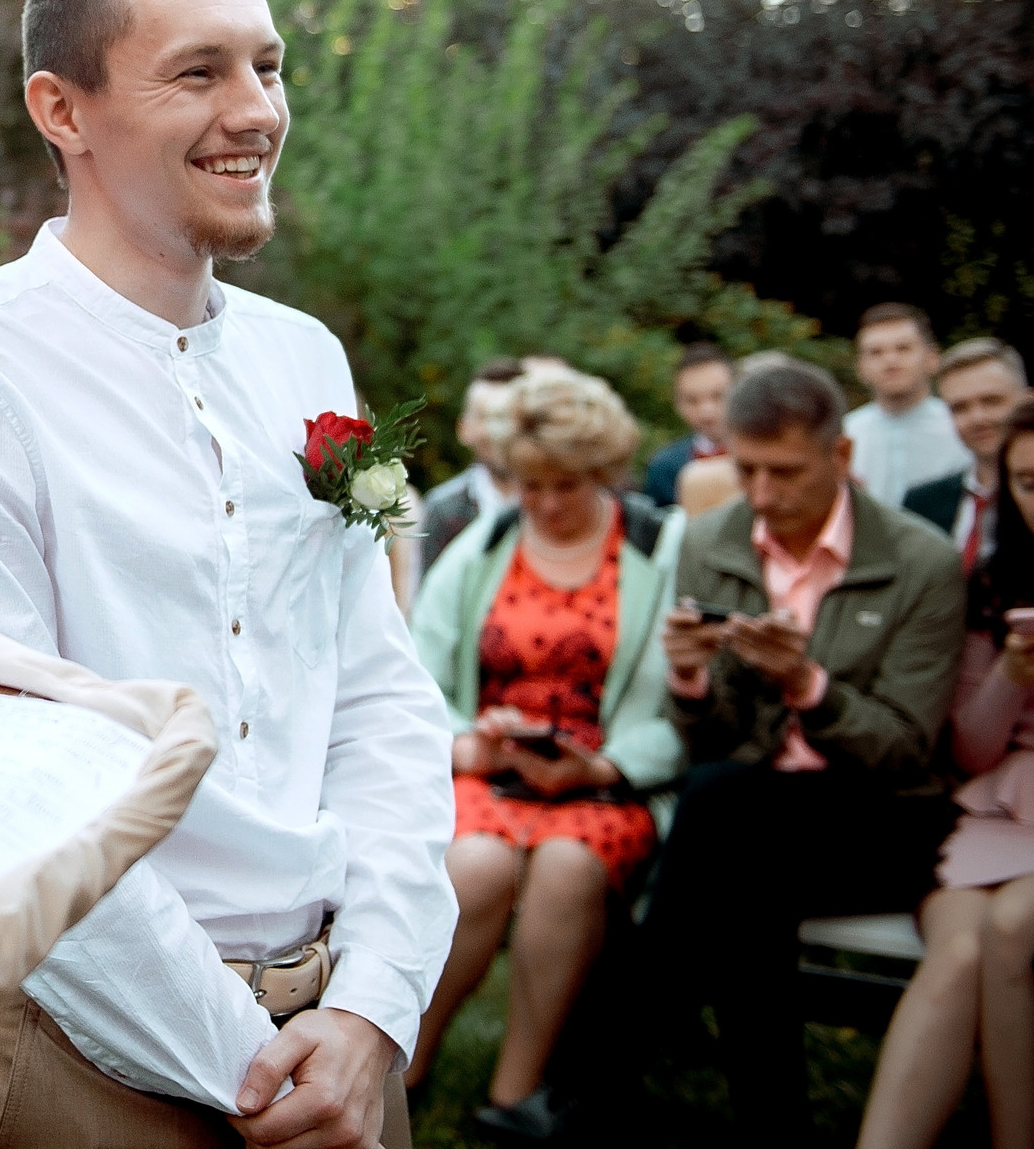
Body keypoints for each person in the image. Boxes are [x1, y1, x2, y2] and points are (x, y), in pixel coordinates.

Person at [0, 0, 456, 1149]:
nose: (256, 111)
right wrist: (251, 1069)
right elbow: (6, 791)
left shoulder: (303, 360)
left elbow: (377, 700)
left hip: (338, 1049)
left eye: (267, 67)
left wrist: (376, 1008)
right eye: (199, 72)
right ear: (61, 109)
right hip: (76, 1060)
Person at [644, 358, 966, 1142]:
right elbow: (710, 740)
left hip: (881, 816)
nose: (760, 494)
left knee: (722, 807)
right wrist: (689, 678)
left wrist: (808, 686)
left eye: (783, 472)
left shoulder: (920, 561)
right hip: (753, 812)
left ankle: (619, 1051)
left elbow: (904, 752)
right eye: (744, 469)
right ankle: (768, 1124)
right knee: (744, 857)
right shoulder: (716, 538)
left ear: (842, 457)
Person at [404, 369, 680, 1140]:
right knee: (475, 865)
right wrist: (469, 743)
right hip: (494, 766)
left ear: (604, 473)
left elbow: (679, 703)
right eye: (532, 486)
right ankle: (409, 1059)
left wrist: (604, 767)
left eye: (567, 485)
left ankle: (514, 1091)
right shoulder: (489, 543)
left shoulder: (660, 547)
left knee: (566, 869)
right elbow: (420, 668)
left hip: (603, 780)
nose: (548, 504)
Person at [859, 395, 1034, 1149]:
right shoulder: (997, 584)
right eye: (1026, 483)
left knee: (1014, 927)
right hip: (1000, 809)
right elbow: (970, 749)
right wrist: (1014, 674)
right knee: (962, 945)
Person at [904, 338, 1029, 577]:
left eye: (992, 401)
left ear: (1027, 400)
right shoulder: (921, 505)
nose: (977, 418)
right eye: (959, 408)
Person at [847, 302, 973, 507]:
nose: (890, 360)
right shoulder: (846, 433)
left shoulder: (962, 426)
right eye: (876, 352)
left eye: (903, 348)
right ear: (860, 367)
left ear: (932, 358)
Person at [418, 359, 527, 572]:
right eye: (486, 417)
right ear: (463, 428)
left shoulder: (553, 502)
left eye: (507, 417)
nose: (498, 432)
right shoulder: (442, 510)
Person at [644, 344, 733, 508]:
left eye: (718, 396)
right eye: (692, 400)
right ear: (677, 404)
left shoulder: (765, 454)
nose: (707, 412)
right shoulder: (664, 468)